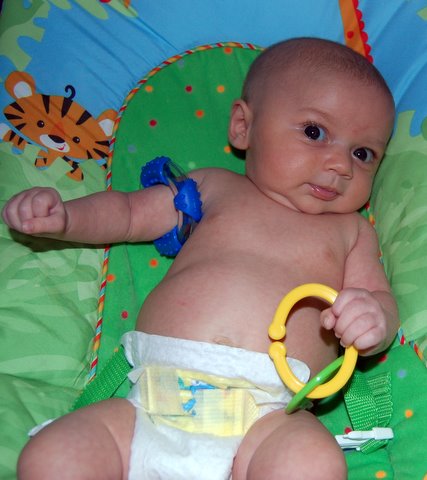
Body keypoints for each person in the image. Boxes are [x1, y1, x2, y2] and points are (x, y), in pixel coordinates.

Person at [3, 37, 399, 480]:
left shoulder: (350, 231)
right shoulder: (214, 187)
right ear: (243, 127)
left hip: (268, 419)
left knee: (313, 464)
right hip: (149, 402)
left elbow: (379, 298)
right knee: (52, 456)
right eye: (314, 132)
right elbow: (130, 214)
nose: (341, 165)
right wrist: (66, 217)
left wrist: (372, 320)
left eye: (362, 154)